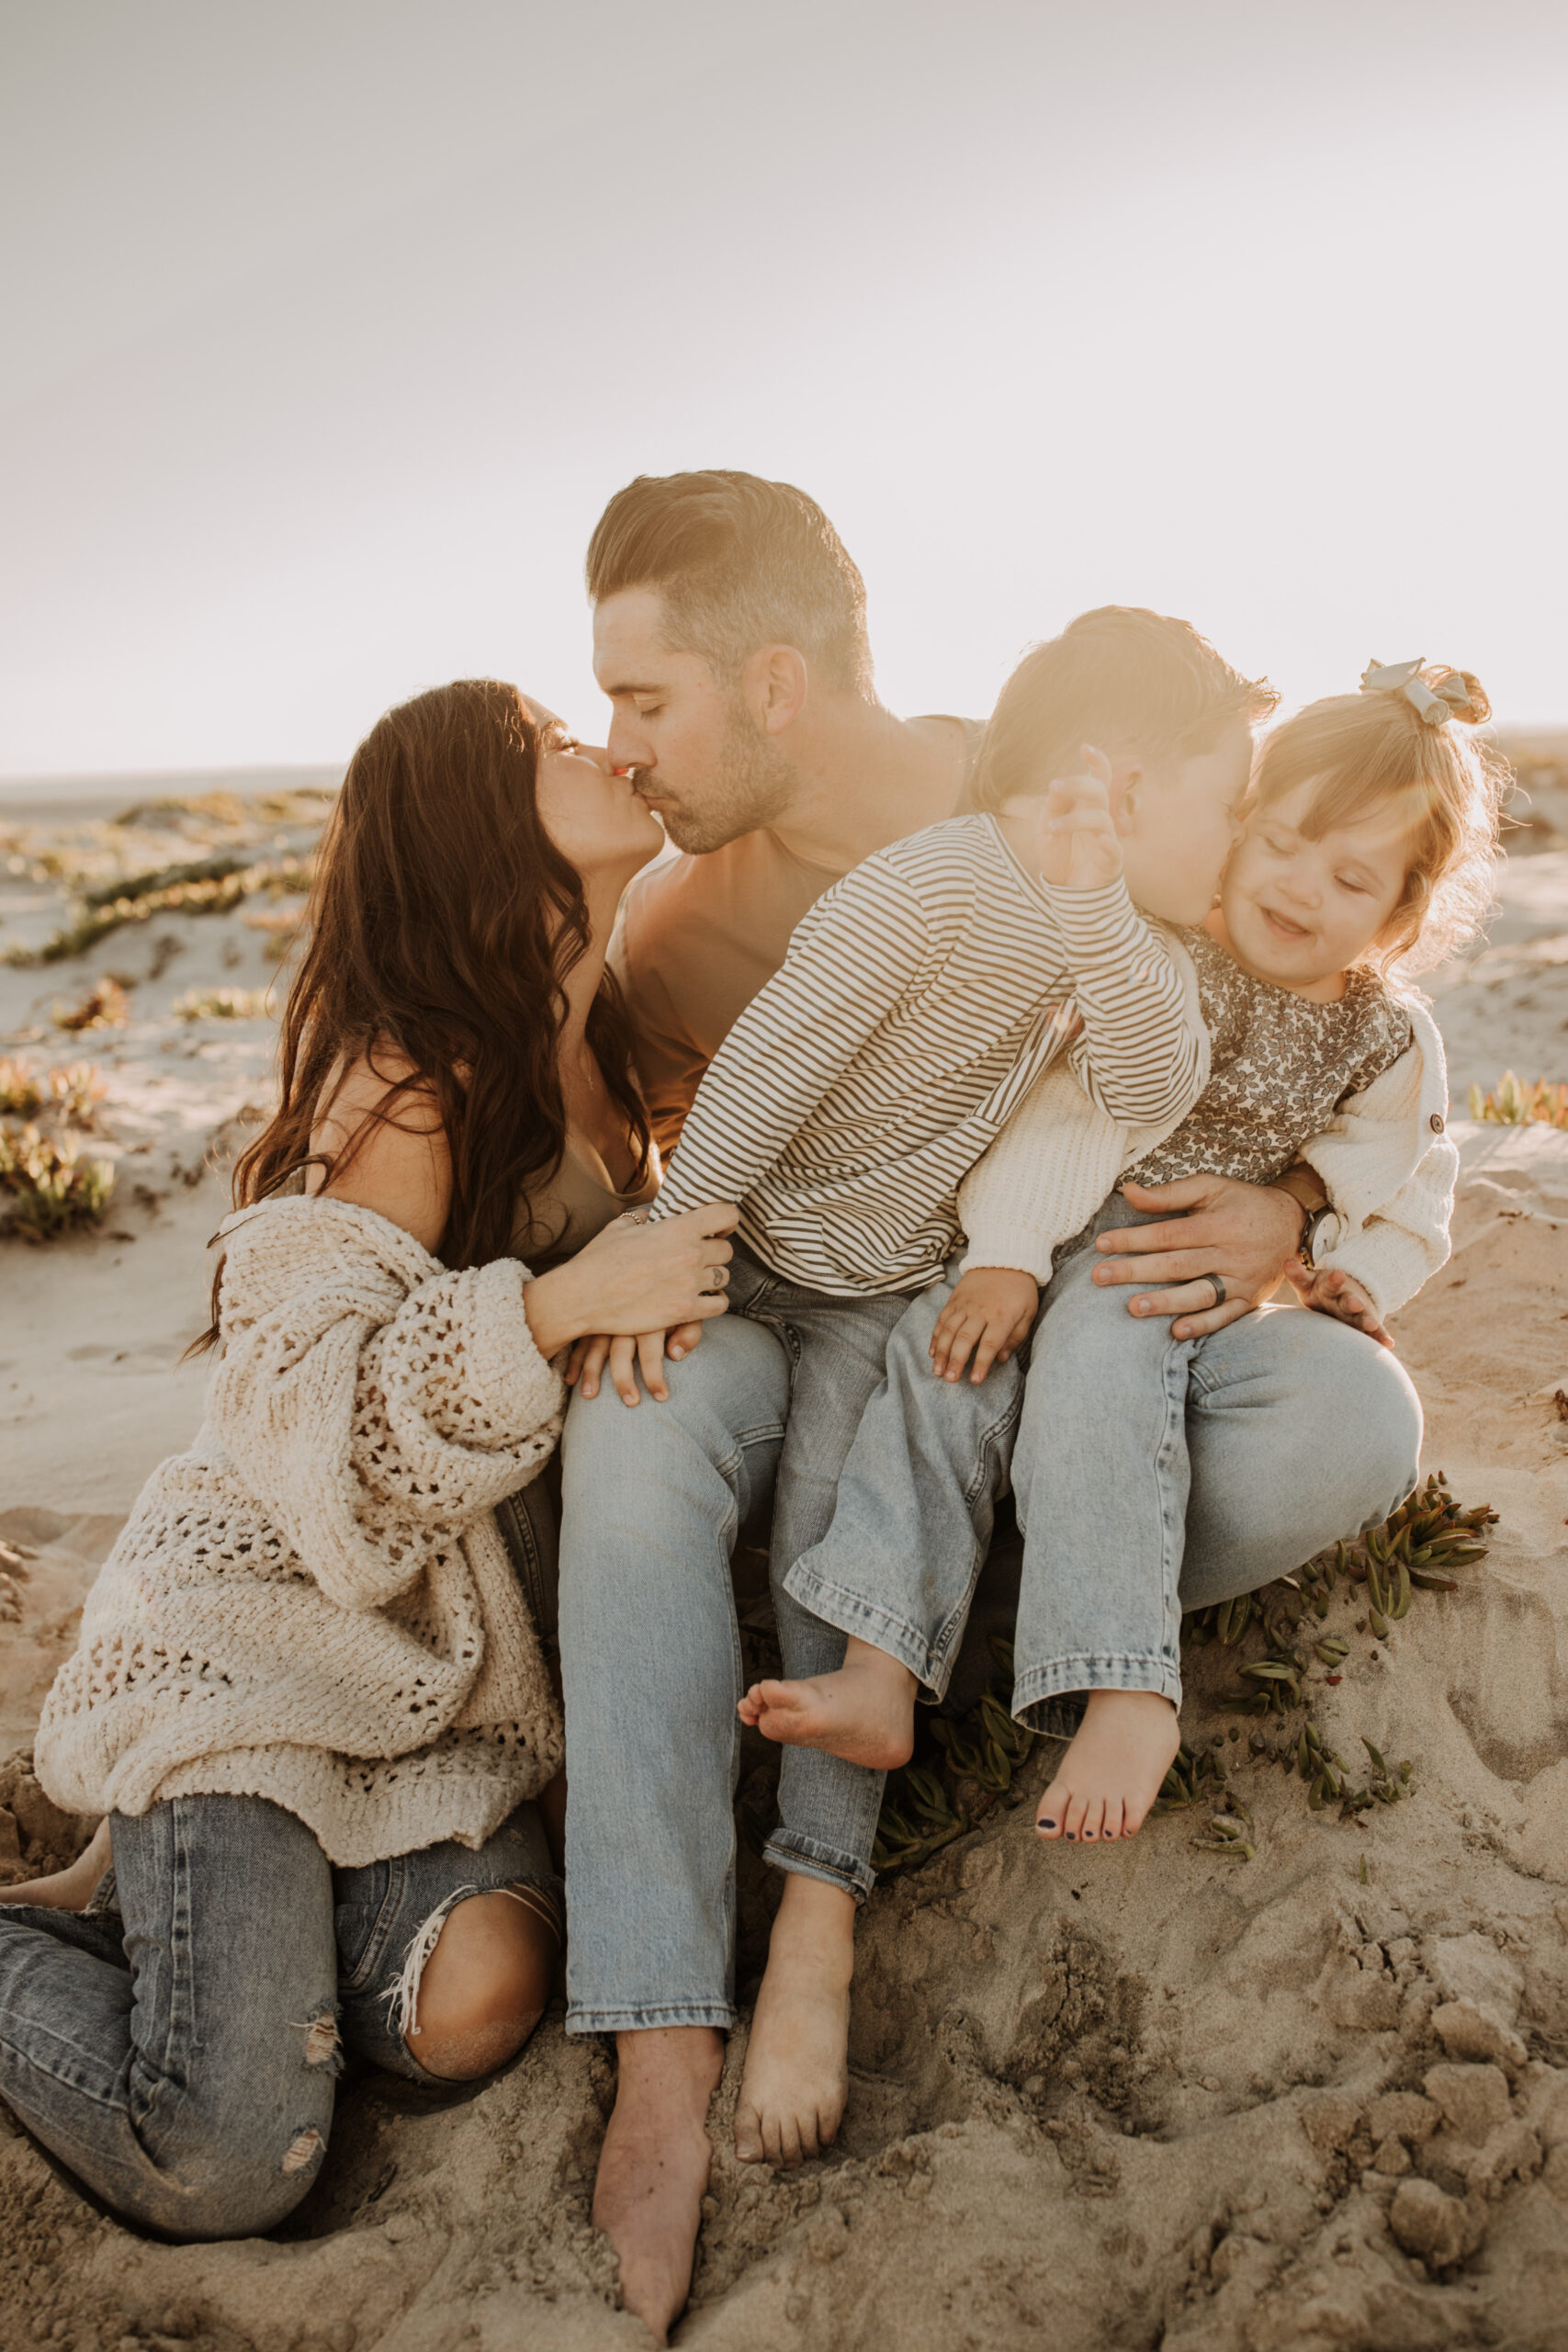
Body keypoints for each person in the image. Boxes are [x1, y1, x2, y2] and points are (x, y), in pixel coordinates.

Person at [553, 469, 1398, 2344]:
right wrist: (662, 1234)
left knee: (1347, 1422)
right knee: (688, 1461)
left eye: (644, 704)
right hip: (815, 1303)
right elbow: (709, 1108)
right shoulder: (721, 922)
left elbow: (1247, 1013)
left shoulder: (1088, 849)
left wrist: (1302, 1209)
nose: (623, 751)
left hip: (1000, 1348)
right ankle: (679, 2012)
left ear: (771, 684)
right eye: (603, 709)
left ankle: (909, 1639)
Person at [0, 681, 736, 2242]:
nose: (604, 744)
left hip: (432, 1703)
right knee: (224, 2154)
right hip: (257, 1668)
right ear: (483, 822)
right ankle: (164, 1879)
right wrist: (548, 1311)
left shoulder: (606, 1046)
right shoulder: (404, 1088)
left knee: (474, 2004)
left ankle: (157, 1911)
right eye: (552, 742)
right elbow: (313, 1442)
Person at [756, 659, 1500, 1852]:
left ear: (1403, 917)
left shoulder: (1384, 1037)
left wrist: (1344, 1261)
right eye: (1286, 844)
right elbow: (1062, 1121)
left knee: (1111, 1354)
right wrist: (1001, 1254)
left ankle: (1124, 1681)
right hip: (1047, 1237)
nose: (1303, 888)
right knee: (935, 1381)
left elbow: (1409, 1181)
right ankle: (882, 1669)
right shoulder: (1165, 960)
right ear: (1239, 828)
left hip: (1150, 1279)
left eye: (1353, 877)